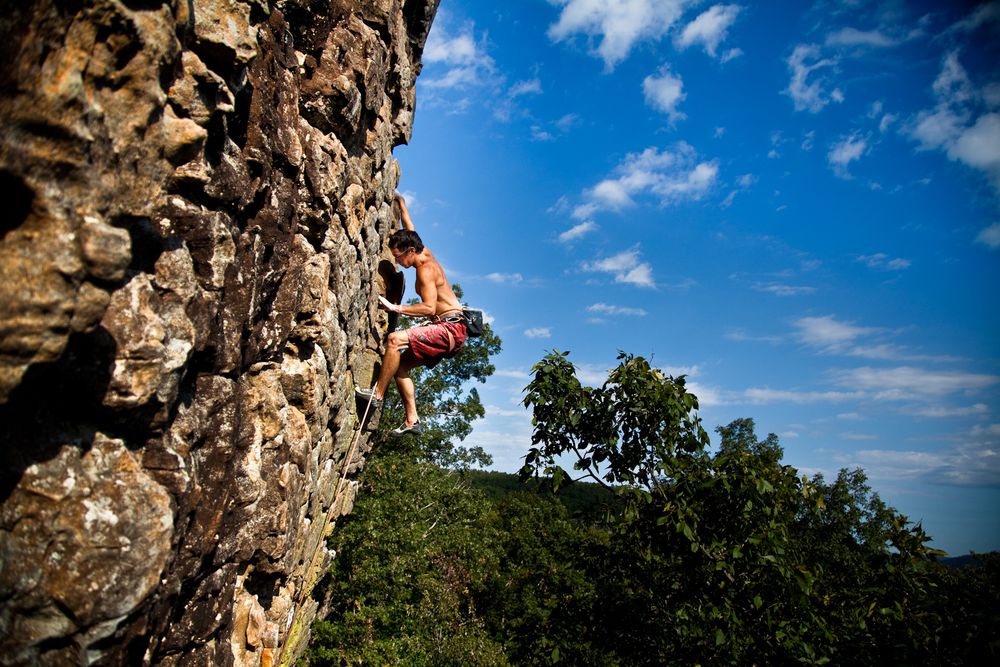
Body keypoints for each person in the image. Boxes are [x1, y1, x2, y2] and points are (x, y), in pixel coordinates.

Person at [355, 193, 467, 436]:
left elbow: (428, 307)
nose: (397, 261)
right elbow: (410, 228)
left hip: (449, 328)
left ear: (412, 251)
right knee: (400, 365)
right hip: (451, 330)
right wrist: (401, 202)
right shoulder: (420, 250)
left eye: (399, 257)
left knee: (394, 340)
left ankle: (377, 395)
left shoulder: (426, 270)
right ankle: (412, 420)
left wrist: (396, 308)